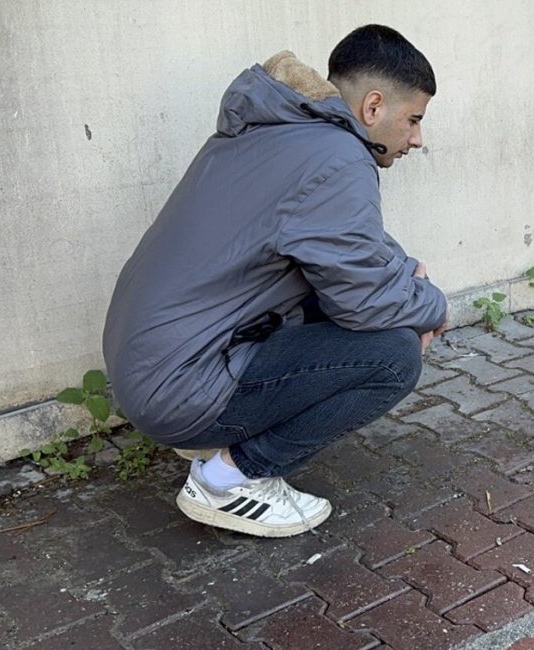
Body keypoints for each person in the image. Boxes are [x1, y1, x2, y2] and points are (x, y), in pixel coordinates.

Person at [103, 25, 449, 538]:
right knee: (393, 354)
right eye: (414, 119)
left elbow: (356, 250)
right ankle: (228, 479)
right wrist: (432, 305)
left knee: (368, 302)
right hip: (178, 385)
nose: (418, 139)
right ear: (374, 107)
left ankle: (214, 441)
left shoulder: (280, 132)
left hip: (151, 364)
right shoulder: (339, 160)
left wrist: (405, 283)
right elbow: (366, 302)